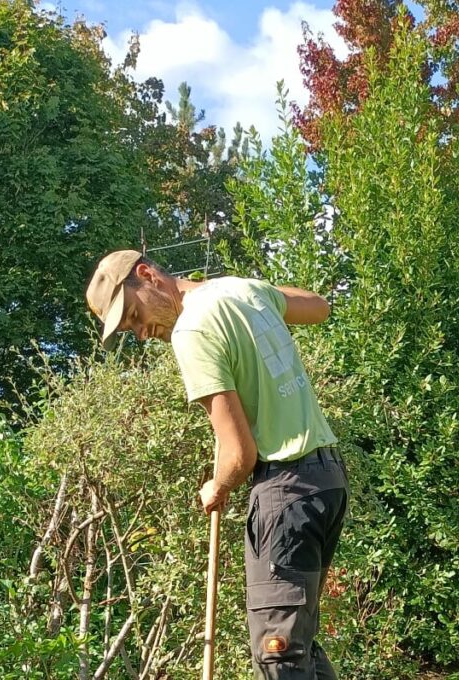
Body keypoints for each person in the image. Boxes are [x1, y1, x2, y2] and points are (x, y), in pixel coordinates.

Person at [85, 250, 348, 680]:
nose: (140, 333)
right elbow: (319, 307)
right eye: (128, 328)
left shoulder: (191, 332)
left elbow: (239, 455)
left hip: (285, 490)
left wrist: (217, 487)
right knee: (298, 645)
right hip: (326, 481)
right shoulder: (237, 289)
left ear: (148, 275)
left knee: (279, 655)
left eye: (133, 314)